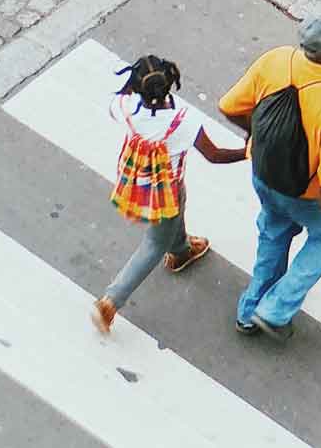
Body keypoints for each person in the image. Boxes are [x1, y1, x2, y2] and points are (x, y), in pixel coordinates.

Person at [219, 5, 321, 341]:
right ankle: (274, 310)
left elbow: (229, 105)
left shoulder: (276, 59)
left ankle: (248, 312)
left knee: (274, 232)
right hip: (306, 195)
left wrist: (256, 138)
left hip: (264, 175)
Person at [92, 55, 246, 334]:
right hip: (165, 190)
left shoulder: (125, 107)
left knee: (172, 221)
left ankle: (181, 251)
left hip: (138, 181)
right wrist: (248, 152)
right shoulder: (182, 121)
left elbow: (121, 97)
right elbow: (215, 155)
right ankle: (111, 301)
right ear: (169, 84)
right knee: (154, 244)